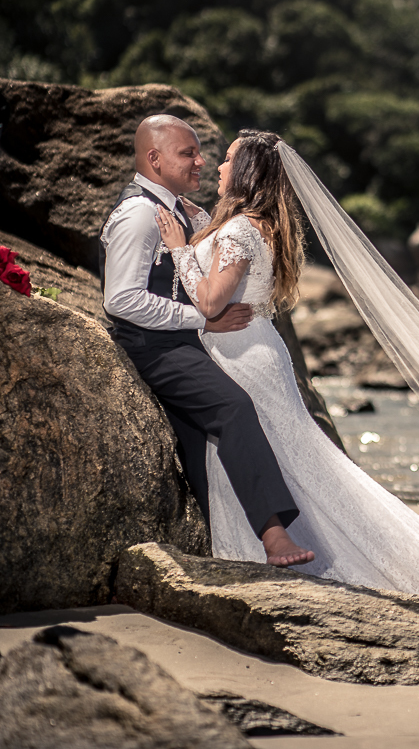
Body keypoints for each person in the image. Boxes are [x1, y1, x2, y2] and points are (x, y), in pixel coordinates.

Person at [156, 130, 419, 620]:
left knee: (281, 456)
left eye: (228, 161)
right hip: (252, 349)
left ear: (247, 173)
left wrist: (179, 248)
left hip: (243, 354)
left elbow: (209, 301)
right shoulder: (256, 226)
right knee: (291, 458)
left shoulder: (238, 231)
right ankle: (282, 546)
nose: (218, 167)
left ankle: (276, 552)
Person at [102, 115, 314, 567]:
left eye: (201, 153)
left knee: (202, 446)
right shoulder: (139, 214)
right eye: (188, 154)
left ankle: (224, 544)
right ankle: (274, 535)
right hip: (155, 347)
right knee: (232, 408)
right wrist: (199, 319)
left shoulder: (185, 210)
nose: (202, 161)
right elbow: (120, 299)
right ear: (153, 158)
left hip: (184, 341)